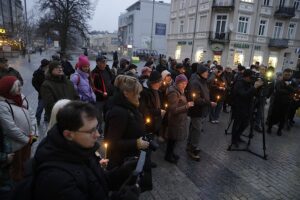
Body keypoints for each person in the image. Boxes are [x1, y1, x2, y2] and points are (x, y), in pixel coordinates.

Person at [31, 101, 140, 200]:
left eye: (97, 128)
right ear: (69, 134)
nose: (97, 135)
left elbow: (99, 181)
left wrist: (123, 171)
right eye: (91, 131)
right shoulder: (55, 178)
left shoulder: (82, 149)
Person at [105, 75, 152, 191]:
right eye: (137, 93)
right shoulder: (119, 113)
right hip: (122, 164)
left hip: (130, 160)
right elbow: (111, 143)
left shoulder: (130, 106)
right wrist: (135, 143)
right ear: (126, 93)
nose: (139, 96)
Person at [0, 76, 37, 198]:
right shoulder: (2, 105)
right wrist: (27, 140)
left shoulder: (21, 97)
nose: (20, 89)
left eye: (20, 86)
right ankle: (18, 191)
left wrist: (34, 133)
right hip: (16, 144)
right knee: (16, 169)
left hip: (28, 140)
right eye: (17, 87)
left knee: (26, 164)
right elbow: (10, 128)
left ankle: (26, 185)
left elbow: (32, 115)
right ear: (8, 90)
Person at [187, 65, 216, 161]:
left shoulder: (202, 81)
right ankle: (193, 149)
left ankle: (190, 145)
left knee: (194, 128)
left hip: (201, 110)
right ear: (201, 73)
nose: (208, 73)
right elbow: (196, 99)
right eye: (206, 72)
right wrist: (209, 102)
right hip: (196, 110)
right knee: (197, 130)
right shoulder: (196, 82)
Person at [165, 74, 194, 164]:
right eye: (182, 83)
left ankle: (171, 153)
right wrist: (187, 106)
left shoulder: (180, 90)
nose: (184, 85)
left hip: (179, 119)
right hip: (175, 119)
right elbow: (173, 110)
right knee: (172, 139)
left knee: (174, 139)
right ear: (177, 83)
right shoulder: (174, 93)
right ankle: (168, 156)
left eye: (185, 83)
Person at [231, 69, 263, 147]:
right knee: (237, 124)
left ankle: (238, 136)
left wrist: (258, 88)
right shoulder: (239, 83)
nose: (251, 79)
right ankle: (233, 139)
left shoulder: (249, 83)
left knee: (245, 123)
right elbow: (244, 95)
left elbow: (254, 93)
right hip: (239, 107)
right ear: (246, 77)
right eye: (250, 77)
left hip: (248, 107)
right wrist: (254, 87)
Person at [267, 68, 295, 136]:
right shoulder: (279, 81)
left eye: (289, 75)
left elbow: (294, 90)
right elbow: (278, 90)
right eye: (286, 74)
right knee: (273, 116)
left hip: (286, 103)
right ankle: (269, 128)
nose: (287, 76)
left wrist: (287, 87)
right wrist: (288, 91)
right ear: (283, 74)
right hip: (277, 102)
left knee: (283, 117)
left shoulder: (293, 82)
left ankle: (279, 130)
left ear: (291, 75)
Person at [91, 56, 114, 129]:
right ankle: (99, 129)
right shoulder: (94, 73)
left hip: (108, 97)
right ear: (98, 63)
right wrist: (102, 93)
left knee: (107, 114)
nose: (104, 64)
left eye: (105, 62)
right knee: (98, 116)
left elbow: (112, 81)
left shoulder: (107, 70)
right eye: (103, 62)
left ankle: (107, 129)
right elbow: (92, 87)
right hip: (99, 99)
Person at [32, 59, 50, 125]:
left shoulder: (50, 72)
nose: (49, 66)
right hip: (42, 94)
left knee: (48, 106)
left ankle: (46, 117)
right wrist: (40, 90)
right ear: (45, 65)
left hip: (49, 93)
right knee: (40, 107)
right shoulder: (37, 73)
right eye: (48, 65)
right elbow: (34, 82)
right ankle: (37, 120)